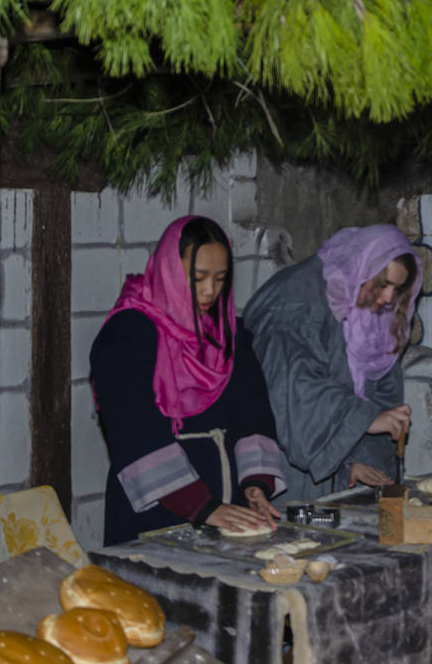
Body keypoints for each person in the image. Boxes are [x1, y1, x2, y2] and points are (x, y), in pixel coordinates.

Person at [90, 215, 286, 546]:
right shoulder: (127, 335)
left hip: (226, 507)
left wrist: (254, 484)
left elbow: (252, 413)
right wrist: (201, 506)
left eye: (220, 279)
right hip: (157, 508)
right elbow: (133, 428)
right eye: (197, 278)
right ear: (168, 269)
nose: (210, 291)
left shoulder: (228, 336)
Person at [244, 223, 423, 498]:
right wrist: (364, 420)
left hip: (337, 474)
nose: (388, 298)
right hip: (287, 474)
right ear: (363, 266)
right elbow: (291, 388)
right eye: (383, 284)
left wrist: (353, 461)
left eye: (396, 289)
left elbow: (382, 395)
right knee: (296, 537)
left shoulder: (370, 311)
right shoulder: (296, 298)